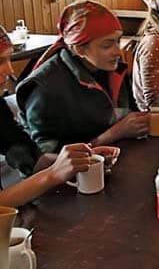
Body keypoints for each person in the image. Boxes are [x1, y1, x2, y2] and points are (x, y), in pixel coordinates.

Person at [0, 26, 119, 207]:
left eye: (9, 59)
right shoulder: (46, 85)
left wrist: (80, 159)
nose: (10, 70)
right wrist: (53, 174)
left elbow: (29, 155)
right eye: (0, 61)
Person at [16, 0, 149, 153]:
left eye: (118, 42)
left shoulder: (113, 69)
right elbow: (46, 156)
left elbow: (130, 111)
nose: (118, 52)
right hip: (83, 165)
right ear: (79, 49)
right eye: (107, 45)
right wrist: (113, 134)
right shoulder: (44, 88)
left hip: (114, 153)